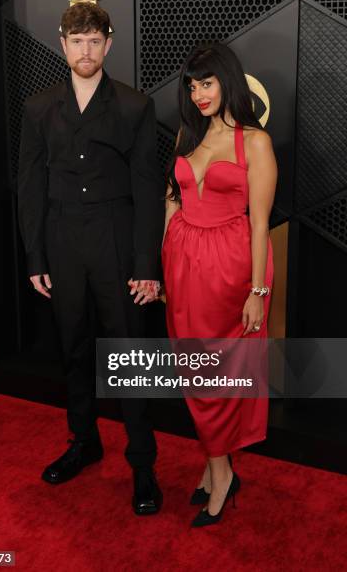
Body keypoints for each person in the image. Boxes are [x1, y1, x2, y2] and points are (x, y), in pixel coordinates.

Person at [18, 2, 164, 515]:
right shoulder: (38, 109)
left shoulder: (134, 107)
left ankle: (143, 464)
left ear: (108, 43)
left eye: (94, 40)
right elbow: (30, 186)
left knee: (128, 355)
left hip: (115, 240)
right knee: (74, 348)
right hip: (60, 240)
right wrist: (35, 254)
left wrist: (146, 265)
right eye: (76, 41)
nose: (85, 50)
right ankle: (84, 441)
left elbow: (149, 191)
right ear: (62, 43)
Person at [161, 43, 277, 527]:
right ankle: (218, 467)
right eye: (192, 85)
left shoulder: (254, 142)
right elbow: (171, 198)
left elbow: (259, 223)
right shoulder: (188, 134)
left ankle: (220, 474)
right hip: (185, 267)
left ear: (228, 80)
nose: (199, 93)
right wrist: (167, 257)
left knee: (220, 379)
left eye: (206, 82)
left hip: (231, 271)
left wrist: (257, 291)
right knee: (194, 372)